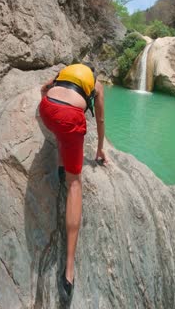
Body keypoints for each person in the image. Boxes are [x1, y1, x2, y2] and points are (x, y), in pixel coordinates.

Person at [39, 62, 108, 303]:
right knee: (75, 184)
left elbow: (45, 88)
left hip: (46, 108)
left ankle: (61, 165)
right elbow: (99, 121)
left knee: (62, 128)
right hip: (69, 119)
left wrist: (49, 105)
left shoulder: (65, 71)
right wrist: (100, 149)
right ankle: (69, 270)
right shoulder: (96, 84)